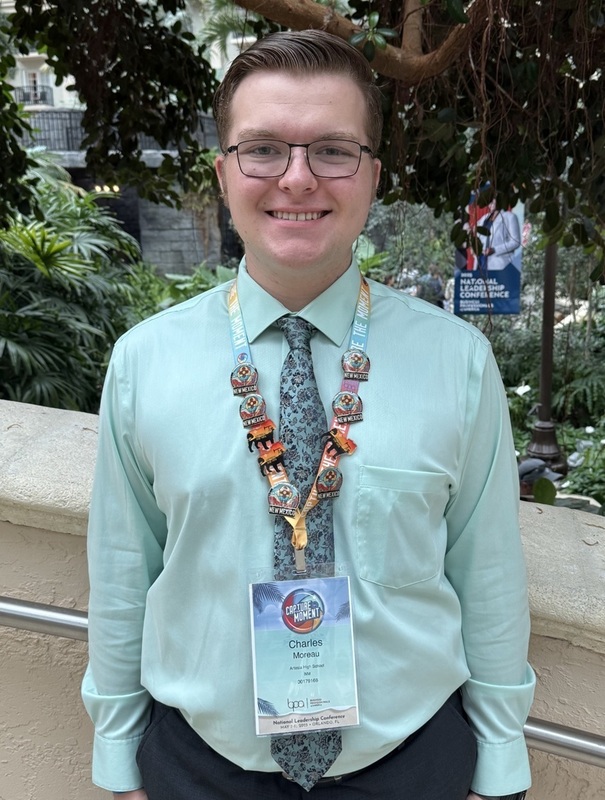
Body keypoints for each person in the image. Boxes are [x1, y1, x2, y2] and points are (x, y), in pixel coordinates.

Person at [82, 30, 535, 800]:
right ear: (223, 173)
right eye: (262, 149)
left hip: (409, 765)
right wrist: (118, 756)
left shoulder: (455, 361)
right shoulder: (144, 363)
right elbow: (125, 570)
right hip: (196, 767)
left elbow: (485, 571)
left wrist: (498, 764)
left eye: (332, 150)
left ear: (372, 176)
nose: (296, 178)